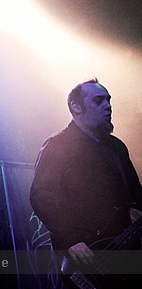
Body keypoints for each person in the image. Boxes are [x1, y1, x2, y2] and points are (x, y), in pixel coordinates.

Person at [30, 78, 142, 288]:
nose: (108, 106)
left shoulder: (117, 147)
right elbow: (41, 196)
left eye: (108, 100)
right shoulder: (58, 145)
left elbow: (136, 195)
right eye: (99, 101)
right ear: (76, 106)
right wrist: (70, 239)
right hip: (86, 258)